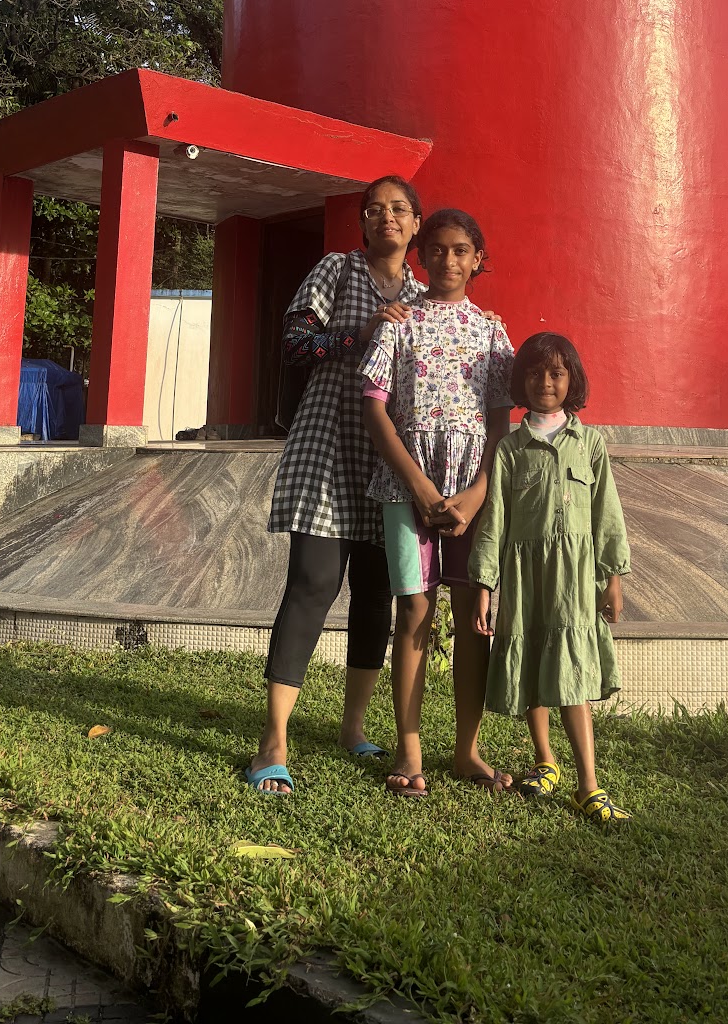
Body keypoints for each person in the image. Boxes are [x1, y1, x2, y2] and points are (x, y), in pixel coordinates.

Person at [244, 176, 426, 796]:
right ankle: (274, 738)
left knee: (377, 595)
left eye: (398, 209)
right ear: (363, 224)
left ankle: (353, 727)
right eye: (374, 211)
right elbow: (296, 343)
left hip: (387, 460)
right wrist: (362, 333)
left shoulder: (426, 298)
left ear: (416, 224)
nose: (386, 219)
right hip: (327, 446)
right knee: (313, 584)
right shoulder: (337, 271)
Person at [360, 208, 515, 798]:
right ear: (422, 257)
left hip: (474, 492)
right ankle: (408, 745)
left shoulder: (491, 331)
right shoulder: (398, 325)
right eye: (439, 250)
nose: (449, 261)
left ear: (478, 259)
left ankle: (467, 750)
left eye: (461, 251)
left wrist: (476, 494)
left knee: (474, 621)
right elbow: (376, 410)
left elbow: (501, 425)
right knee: (414, 613)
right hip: (407, 489)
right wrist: (422, 487)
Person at [470, 331, 633, 823]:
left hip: (575, 580)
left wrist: (613, 577)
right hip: (523, 576)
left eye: (557, 373)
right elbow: (493, 518)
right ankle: (546, 760)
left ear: (572, 381)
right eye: (536, 373)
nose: (546, 382)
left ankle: (589, 784)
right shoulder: (511, 450)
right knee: (532, 663)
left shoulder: (590, 444)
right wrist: (483, 585)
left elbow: (608, 513)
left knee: (571, 676)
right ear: (522, 380)